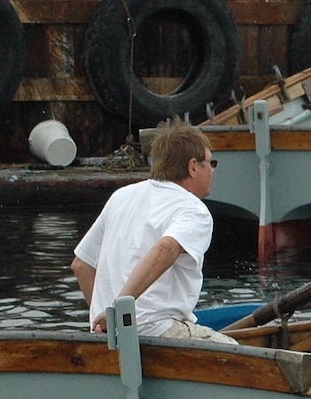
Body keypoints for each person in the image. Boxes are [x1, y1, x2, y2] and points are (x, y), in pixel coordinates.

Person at [70, 119, 236, 345]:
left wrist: (108, 321)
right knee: (239, 355)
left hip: (109, 338)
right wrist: (120, 312)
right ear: (193, 166)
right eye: (211, 162)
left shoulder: (122, 196)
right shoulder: (193, 209)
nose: (213, 169)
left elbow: (81, 265)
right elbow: (165, 248)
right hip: (156, 330)